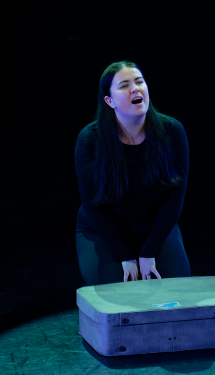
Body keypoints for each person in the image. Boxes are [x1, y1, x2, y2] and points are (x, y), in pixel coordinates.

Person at [75, 60, 191, 286]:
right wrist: (125, 256)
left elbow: (175, 199)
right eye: (124, 85)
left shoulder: (172, 131)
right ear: (109, 101)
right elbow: (92, 206)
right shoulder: (90, 139)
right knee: (115, 294)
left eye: (139, 82)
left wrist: (149, 252)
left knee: (176, 291)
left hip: (154, 225)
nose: (135, 89)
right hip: (104, 229)